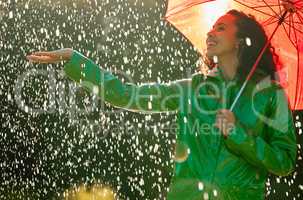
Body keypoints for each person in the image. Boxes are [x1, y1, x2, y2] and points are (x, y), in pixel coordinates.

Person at [27, 9, 297, 200]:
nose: (211, 32)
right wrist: (76, 59)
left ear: (240, 41)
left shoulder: (270, 95)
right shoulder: (192, 88)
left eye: (221, 27)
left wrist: (239, 133)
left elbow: (285, 162)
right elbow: (126, 94)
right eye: (212, 26)